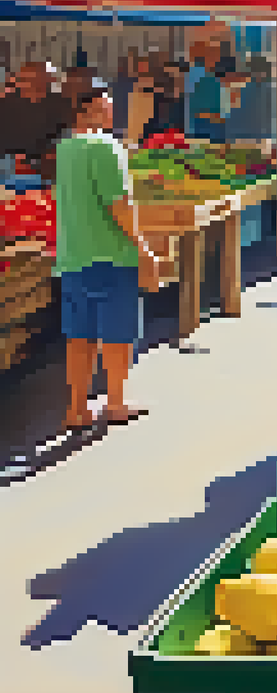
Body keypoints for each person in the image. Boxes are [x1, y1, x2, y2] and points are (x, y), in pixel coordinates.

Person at [54, 79, 161, 431]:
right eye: (105, 105)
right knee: (116, 334)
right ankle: (115, 401)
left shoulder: (65, 148)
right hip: (112, 254)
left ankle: (76, 408)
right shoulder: (106, 147)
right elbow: (120, 206)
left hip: (73, 254)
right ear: (90, 110)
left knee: (79, 335)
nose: (111, 109)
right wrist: (143, 247)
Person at [0, 62, 73, 185]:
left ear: (49, 80)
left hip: (45, 165)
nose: (32, 82)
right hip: (8, 163)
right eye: (27, 78)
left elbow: (66, 135)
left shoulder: (61, 103)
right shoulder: (5, 102)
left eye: (38, 77)